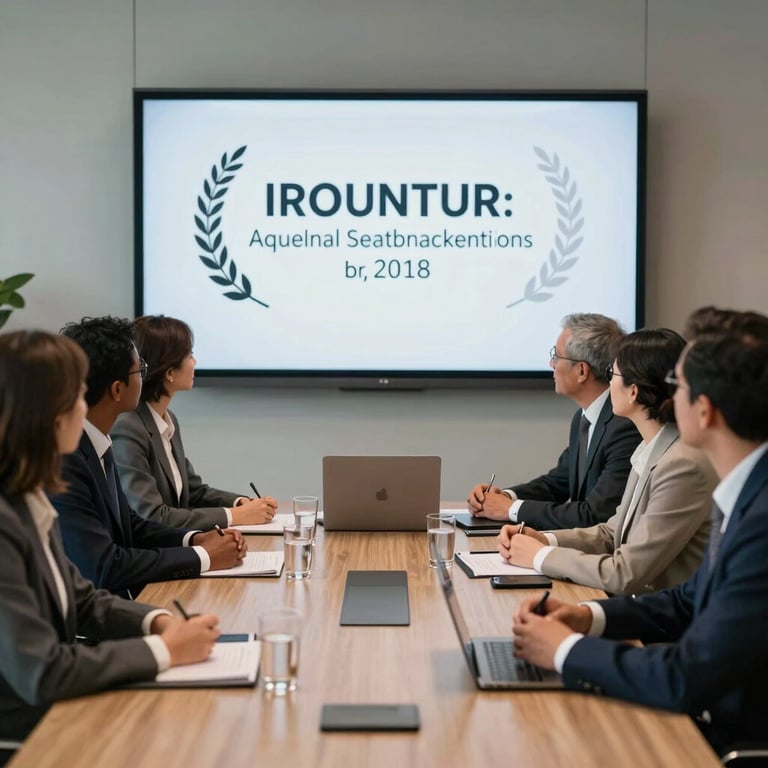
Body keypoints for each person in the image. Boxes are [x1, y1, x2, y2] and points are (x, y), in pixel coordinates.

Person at [511, 310, 768, 754]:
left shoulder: (759, 519)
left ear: (703, 411)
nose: (670, 395)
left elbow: (686, 676)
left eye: (680, 385)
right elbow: (687, 599)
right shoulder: (746, 491)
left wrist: (565, 651)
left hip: (722, 734)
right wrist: (588, 617)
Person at [0, 330, 220, 759]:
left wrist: (157, 622)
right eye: (75, 398)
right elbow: (42, 671)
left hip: (55, 711)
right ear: (45, 414)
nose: (84, 409)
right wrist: (164, 650)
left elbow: (81, 600)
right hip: (28, 736)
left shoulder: (27, 498)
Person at [497, 328, 716, 595]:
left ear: (633, 391)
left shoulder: (683, 465)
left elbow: (625, 573)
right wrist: (545, 539)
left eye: (612, 374)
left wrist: (540, 556)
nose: (608, 383)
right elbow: (612, 534)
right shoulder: (653, 448)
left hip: (662, 624)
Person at [51, 316, 245, 599]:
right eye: (139, 369)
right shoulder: (67, 460)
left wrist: (194, 539)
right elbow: (104, 566)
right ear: (117, 390)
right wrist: (202, 556)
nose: (145, 375)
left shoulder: (95, 442)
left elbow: (133, 526)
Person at [467, 313, 641, 529]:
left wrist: (509, 510)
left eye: (556, 357)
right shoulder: (584, 417)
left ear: (581, 371)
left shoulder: (624, 426)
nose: (551, 364)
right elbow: (559, 482)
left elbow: (595, 515)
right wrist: (503, 496)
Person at [111, 315, 277, 529]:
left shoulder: (167, 420)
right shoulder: (128, 427)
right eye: (189, 355)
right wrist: (235, 516)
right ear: (170, 372)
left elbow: (194, 491)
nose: (195, 362)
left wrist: (240, 503)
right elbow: (151, 515)